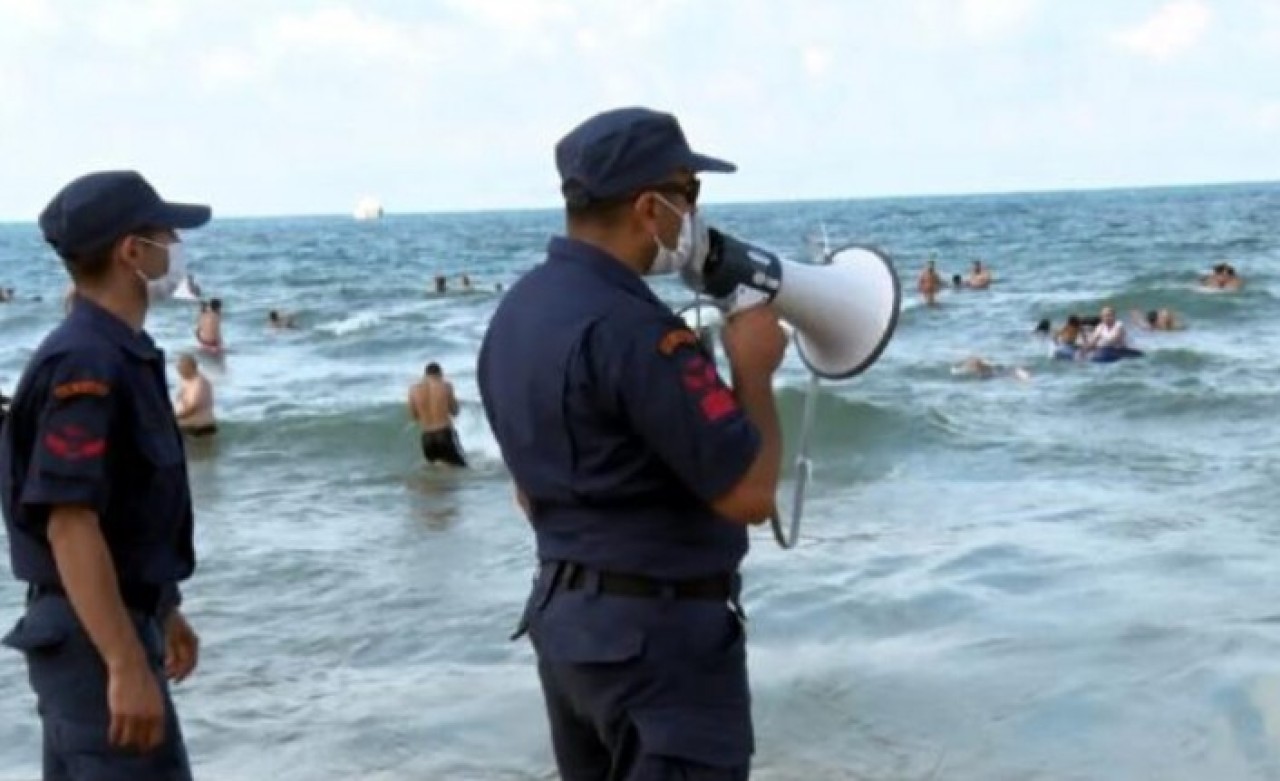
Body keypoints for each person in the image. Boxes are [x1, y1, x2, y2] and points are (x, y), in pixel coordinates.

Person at [477, 106, 786, 779]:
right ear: (651, 207)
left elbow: (528, 492)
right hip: (662, 650)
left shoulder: (517, 313)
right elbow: (752, 493)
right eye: (689, 193)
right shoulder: (638, 331)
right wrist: (754, 370)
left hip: (570, 633)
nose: (693, 213)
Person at [0, 170, 208, 778]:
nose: (176, 247)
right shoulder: (87, 361)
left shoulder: (120, 352)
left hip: (108, 624)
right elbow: (69, 522)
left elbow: (124, 512)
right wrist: (121, 661)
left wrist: (163, 608)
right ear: (131, 252)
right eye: (166, 234)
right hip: (91, 642)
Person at [408, 362, 466, 467]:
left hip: (427, 437)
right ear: (440, 374)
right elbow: (455, 411)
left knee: (435, 470)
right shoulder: (446, 386)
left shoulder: (413, 390)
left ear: (425, 375)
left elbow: (414, 416)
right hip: (444, 434)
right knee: (460, 468)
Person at [173, 354, 216, 437]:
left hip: (200, 429)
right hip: (188, 427)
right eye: (178, 369)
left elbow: (193, 407)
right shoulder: (186, 380)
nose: (179, 372)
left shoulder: (200, 383)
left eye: (182, 369)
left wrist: (173, 418)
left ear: (192, 367)